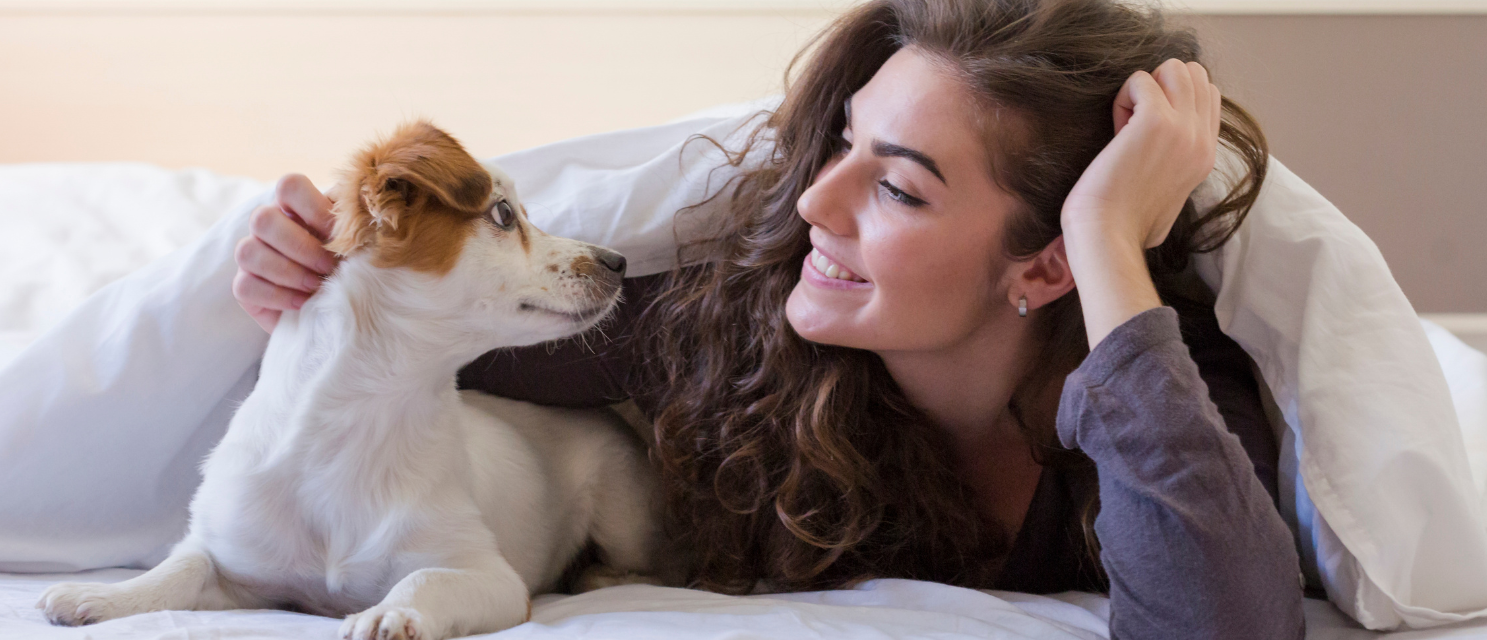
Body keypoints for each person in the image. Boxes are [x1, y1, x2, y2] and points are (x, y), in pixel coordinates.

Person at [231, 0, 1304, 637]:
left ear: (1046, 264)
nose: (813, 203)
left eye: (899, 188)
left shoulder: (1169, 402)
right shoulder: (723, 327)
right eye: (843, 143)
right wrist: (322, 266)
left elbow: (1227, 628)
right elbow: (431, 329)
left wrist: (1111, 245)